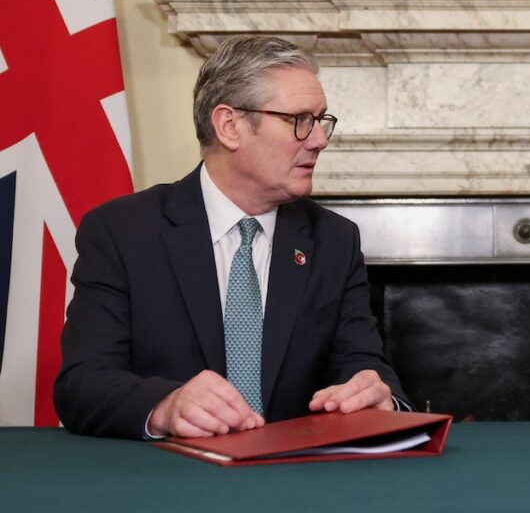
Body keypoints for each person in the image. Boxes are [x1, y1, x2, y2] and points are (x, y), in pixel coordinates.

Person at [55, 36, 411, 439]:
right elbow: (83, 384)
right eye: (300, 120)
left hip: (295, 482)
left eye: (321, 119)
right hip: (168, 481)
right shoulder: (122, 232)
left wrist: (380, 398)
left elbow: (363, 365)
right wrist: (164, 407)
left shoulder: (333, 240)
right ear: (229, 126)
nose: (319, 140)